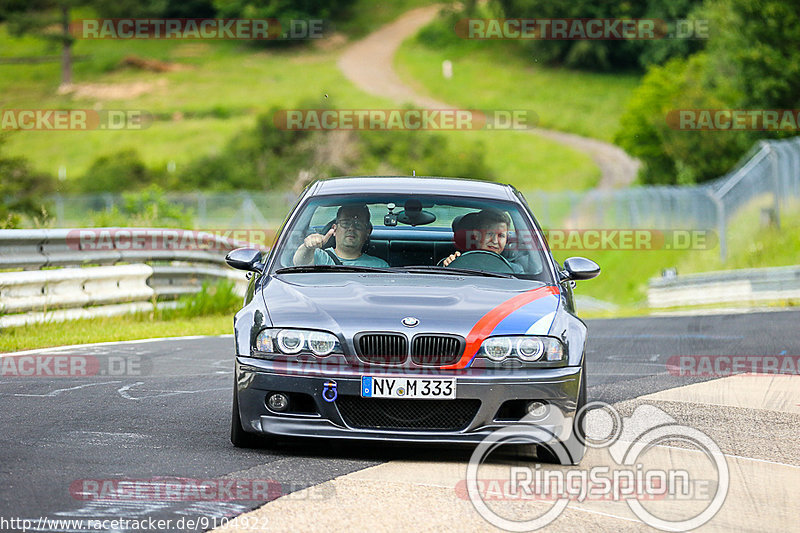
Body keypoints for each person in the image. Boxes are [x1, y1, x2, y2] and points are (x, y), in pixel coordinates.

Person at [292, 203, 389, 267]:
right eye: (346, 223)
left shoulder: (380, 266)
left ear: (368, 232)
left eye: (358, 224)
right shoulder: (319, 256)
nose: (351, 228)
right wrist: (307, 246)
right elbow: (299, 263)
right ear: (334, 229)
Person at [443, 208, 523, 273]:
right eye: (490, 234)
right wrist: (448, 267)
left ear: (507, 238)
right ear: (477, 235)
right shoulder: (455, 262)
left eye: (501, 236)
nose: (495, 241)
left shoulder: (515, 271)